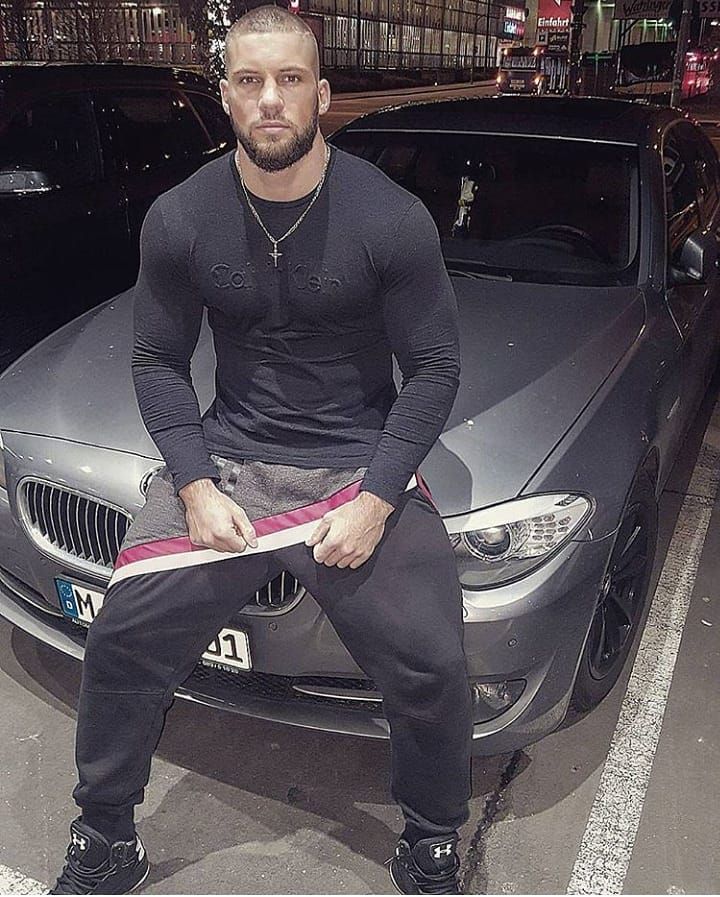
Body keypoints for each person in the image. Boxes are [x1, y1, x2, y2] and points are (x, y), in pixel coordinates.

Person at [49, 6, 473, 895]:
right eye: (249, 81)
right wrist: (196, 485)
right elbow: (157, 361)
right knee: (121, 639)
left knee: (431, 658)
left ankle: (434, 835)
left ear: (322, 93)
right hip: (234, 459)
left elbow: (434, 367)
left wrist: (379, 496)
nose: (270, 99)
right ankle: (105, 833)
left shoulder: (389, 218)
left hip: (356, 465)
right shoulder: (180, 217)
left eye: (288, 80)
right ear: (227, 92)